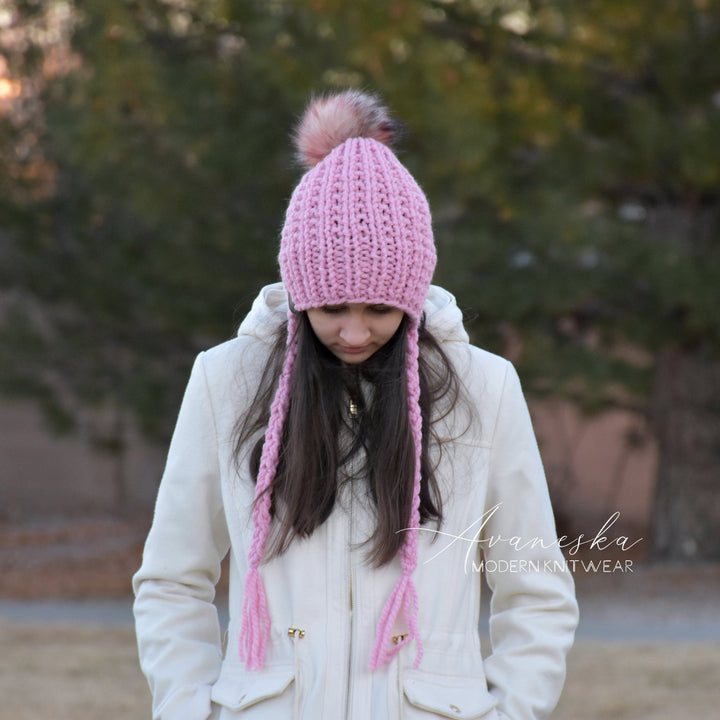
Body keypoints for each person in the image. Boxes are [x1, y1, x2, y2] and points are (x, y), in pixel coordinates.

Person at [133, 90, 578, 720]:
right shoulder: (224, 383)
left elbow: (534, 588)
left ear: (412, 296)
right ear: (299, 294)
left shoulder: (485, 389)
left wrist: (509, 712)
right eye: (332, 308)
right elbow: (173, 581)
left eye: (379, 309)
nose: (354, 332)